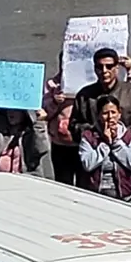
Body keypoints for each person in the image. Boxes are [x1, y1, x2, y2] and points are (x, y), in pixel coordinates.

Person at [68, 48, 131, 143]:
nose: (104, 71)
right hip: (95, 152)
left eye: (109, 66)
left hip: (125, 150)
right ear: (95, 69)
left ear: (116, 68)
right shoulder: (84, 95)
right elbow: (74, 125)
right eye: (100, 67)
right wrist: (94, 133)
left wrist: (123, 134)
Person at [77, 95, 131, 201]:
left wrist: (116, 142)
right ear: (98, 115)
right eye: (105, 113)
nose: (110, 117)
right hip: (95, 193)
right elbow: (87, 164)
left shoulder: (127, 136)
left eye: (113, 112)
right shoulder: (88, 136)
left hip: (123, 194)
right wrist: (105, 144)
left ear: (119, 114)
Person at [43, 51, 80, 185]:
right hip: (60, 143)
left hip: (83, 142)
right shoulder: (52, 85)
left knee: (85, 185)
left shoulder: (89, 83)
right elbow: (43, 114)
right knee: (63, 182)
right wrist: (54, 102)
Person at [0, 108, 49, 174]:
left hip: (26, 181)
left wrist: (40, 123)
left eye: (15, 110)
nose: (11, 113)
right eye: (8, 109)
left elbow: (41, 149)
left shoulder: (31, 133)